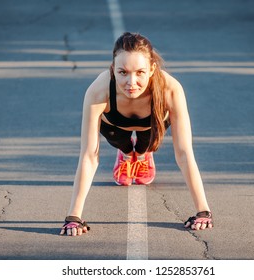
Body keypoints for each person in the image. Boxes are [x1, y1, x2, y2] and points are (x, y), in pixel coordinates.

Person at [60, 32, 213, 236]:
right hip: (114, 125)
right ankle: (125, 154)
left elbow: (184, 153)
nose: (131, 82)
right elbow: (89, 155)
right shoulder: (98, 90)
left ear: (152, 69)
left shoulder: (171, 89)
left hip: (150, 125)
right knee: (122, 142)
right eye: (123, 72)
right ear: (113, 69)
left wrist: (203, 211)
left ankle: (141, 154)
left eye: (140, 72)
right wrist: (74, 217)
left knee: (144, 146)